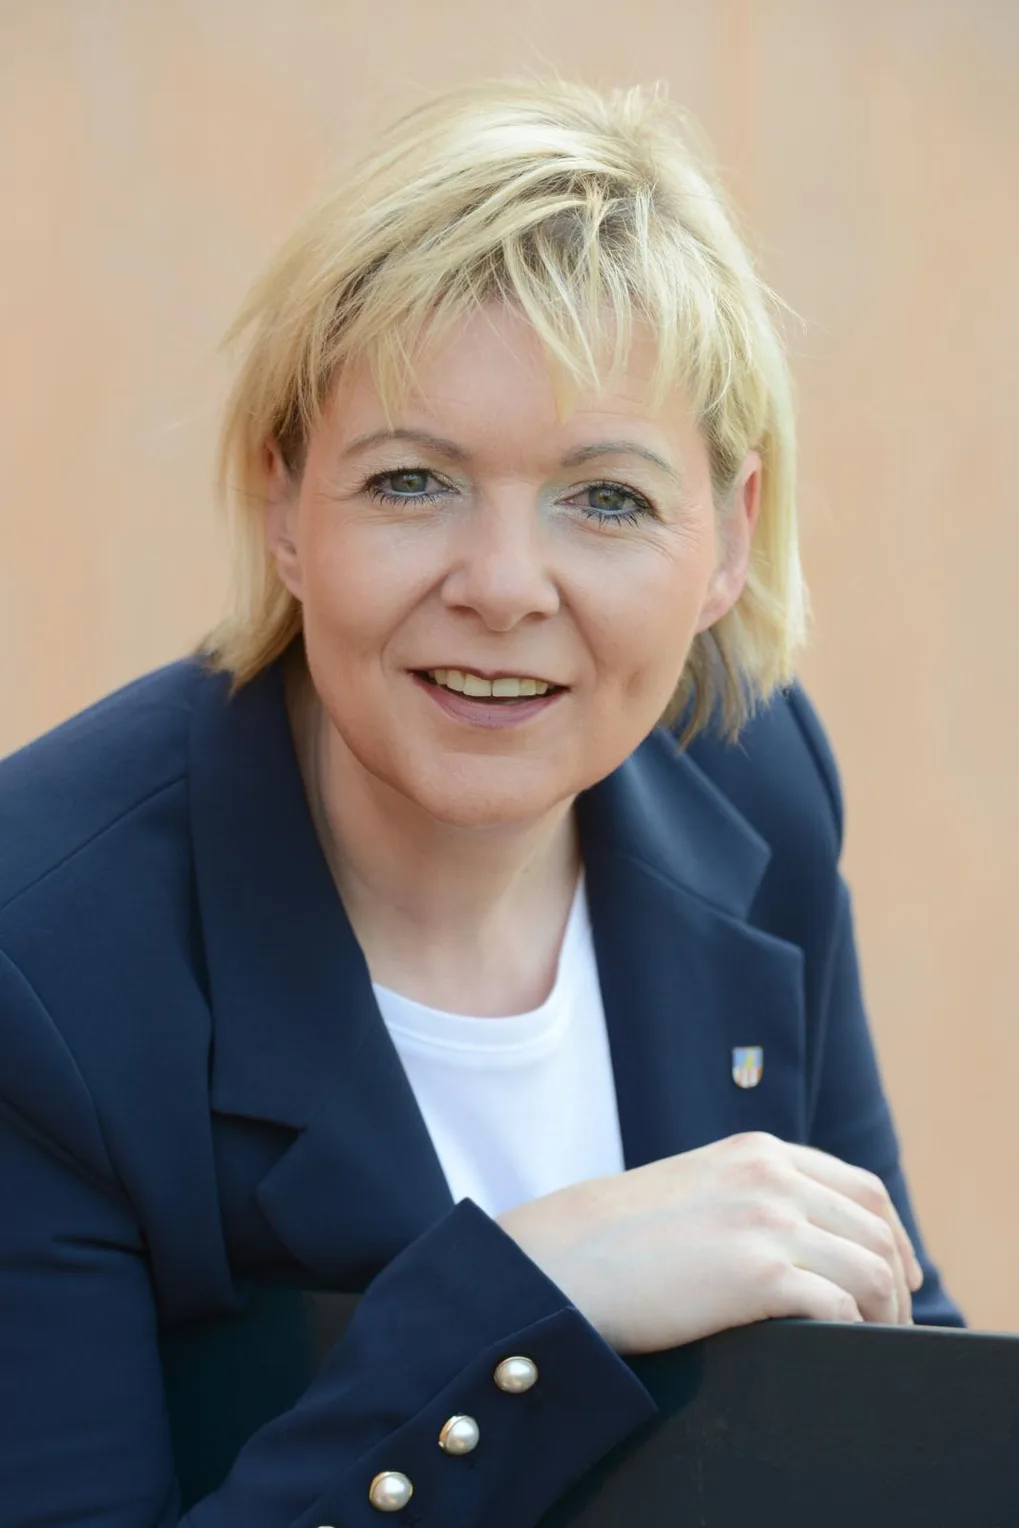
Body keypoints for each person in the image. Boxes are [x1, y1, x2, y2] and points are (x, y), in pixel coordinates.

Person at [0, 78, 961, 1528]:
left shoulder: (747, 773)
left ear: (728, 537)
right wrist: (528, 1301)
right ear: (283, 504)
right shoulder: (42, 960)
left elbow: (898, 1388)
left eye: (608, 498)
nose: (505, 587)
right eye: (412, 482)